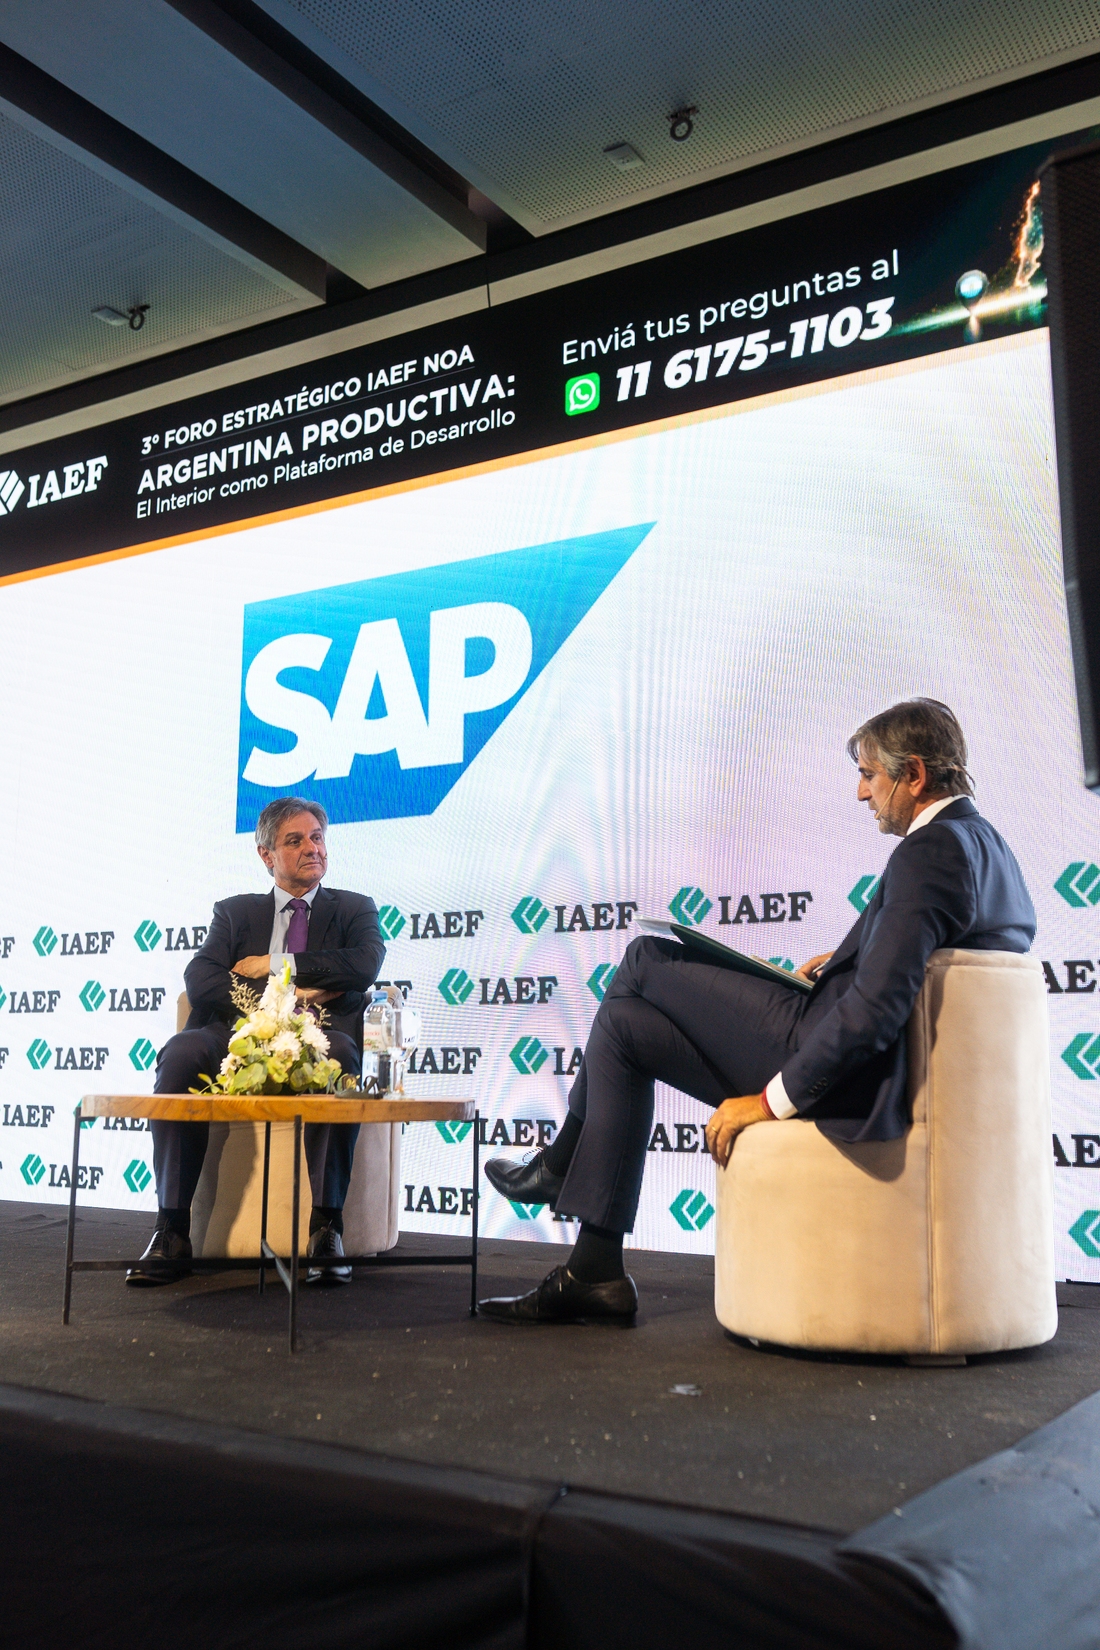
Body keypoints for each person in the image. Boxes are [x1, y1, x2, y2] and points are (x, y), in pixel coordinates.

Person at [478, 699, 1036, 1325]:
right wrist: (847, 959)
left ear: (914, 775)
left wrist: (768, 1102)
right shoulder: (987, 845)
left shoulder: (928, 852)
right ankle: (594, 1272)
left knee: (643, 958)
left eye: (869, 775)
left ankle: (560, 1166)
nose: (861, 793)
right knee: (625, 1026)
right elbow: (917, 962)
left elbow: (875, 1012)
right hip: (843, 1046)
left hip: (832, 1069)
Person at [127, 796, 385, 1287]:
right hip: (238, 1035)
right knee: (181, 1053)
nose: (312, 848)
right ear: (267, 854)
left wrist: (274, 966)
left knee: (341, 1056)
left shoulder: (354, 907)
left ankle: (326, 1230)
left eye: (317, 838)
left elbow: (363, 965)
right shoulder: (236, 913)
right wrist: (276, 1000)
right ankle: (171, 1231)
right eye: (296, 840)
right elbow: (201, 977)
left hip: (321, 1033)